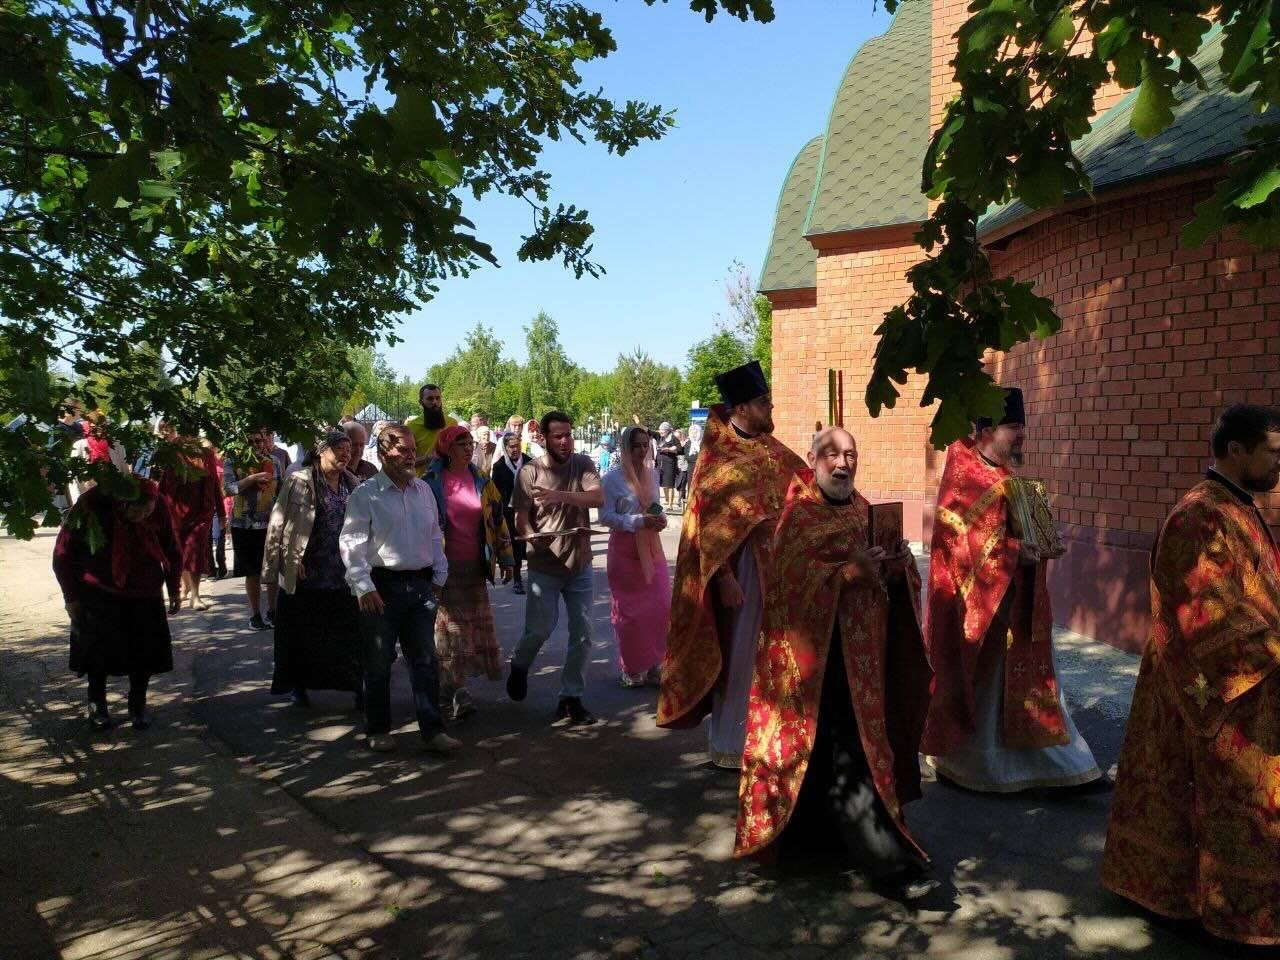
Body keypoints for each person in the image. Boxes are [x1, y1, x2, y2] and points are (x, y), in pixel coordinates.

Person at [1101, 404, 1280, 946]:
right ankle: (1222, 910)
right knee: (1222, 801)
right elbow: (1204, 611)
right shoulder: (1198, 515)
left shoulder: (1239, 509)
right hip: (1211, 693)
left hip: (1249, 684)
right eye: (1273, 451)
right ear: (1236, 450)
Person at [736, 427, 933, 889]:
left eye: (851, 455)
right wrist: (849, 573)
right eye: (832, 455)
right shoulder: (797, 518)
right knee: (848, 752)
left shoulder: (865, 509)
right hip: (817, 663)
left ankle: (817, 841)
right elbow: (786, 589)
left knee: (841, 751)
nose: (843, 464)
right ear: (811, 459)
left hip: (864, 657)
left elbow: (893, 580)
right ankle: (888, 865)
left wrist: (899, 563)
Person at [920, 386, 1100, 792]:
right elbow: (963, 546)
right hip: (982, 608)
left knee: (1011, 688)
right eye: (1013, 427)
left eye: (1023, 427)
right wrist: (1019, 551)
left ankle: (1049, 763)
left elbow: (1008, 530)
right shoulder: (965, 476)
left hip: (1017, 603)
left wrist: (1041, 542)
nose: (1022, 436)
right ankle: (976, 766)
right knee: (985, 691)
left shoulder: (1002, 474)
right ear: (985, 430)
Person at [658, 360, 806, 768]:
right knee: (739, 657)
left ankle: (767, 736)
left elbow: (808, 487)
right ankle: (730, 745)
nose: (770, 407)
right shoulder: (717, 457)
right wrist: (723, 577)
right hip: (740, 571)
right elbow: (704, 524)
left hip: (777, 570)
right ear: (741, 408)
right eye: (763, 402)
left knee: (772, 657)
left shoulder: (773, 450)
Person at [339, 424, 460, 755]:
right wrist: (362, 586)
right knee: (378, 662)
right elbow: (352, 542)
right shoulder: (366, 495)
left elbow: (435, 536)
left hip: (420, 587)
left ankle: (433, 730)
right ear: (383, 455)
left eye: (411, 449)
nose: (410, 456)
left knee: (424, 661)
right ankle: (378, 728)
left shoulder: (423, 492)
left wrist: (438, 577)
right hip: (381, 588)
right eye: (402, 450)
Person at [52, 478, 182, 731]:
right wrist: (72, 598)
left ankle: (138, 704)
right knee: (98, 654)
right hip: (99, 591)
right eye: (135, 511)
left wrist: (174, 587)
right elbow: (63, 555)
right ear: (120, 504)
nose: (141, 516)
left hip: (144, 592)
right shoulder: (91, 504)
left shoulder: (160, 505)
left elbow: (171, 547)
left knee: (143, 654)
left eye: (147, 511)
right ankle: (96, 703)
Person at [505, 411, 605, 724]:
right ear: (544, 439)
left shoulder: (583, 464)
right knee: (540, 630)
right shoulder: (529, 473)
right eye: (558, 436)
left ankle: (571, 697)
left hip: (580, 564)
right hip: (543, 566)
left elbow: (598, 498)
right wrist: (530, 534)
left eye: (568, 435)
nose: (565, 442)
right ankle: (520, 665)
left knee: (583, 632)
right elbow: (520, 517)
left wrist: (558, 496)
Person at [264, 430, 362, 708]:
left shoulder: (352, 482)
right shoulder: (299, 481)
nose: (346, 453)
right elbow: (278, 522)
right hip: (307, 572)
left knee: (345, 634)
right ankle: (298, 685)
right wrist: (286, 559)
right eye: (339, 449)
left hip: (342, 573)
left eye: (348, 449)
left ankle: (356, 686)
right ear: (321, 451)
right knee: (302, 634)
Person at [425, 426, 514, 721]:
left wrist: (506, 557)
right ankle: (457, 691)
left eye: (470, 443)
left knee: (468, 632)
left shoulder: (482, 480)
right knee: (450, 632)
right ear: (446, 448)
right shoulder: (431, 482)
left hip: (475, 568)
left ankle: (448, 689)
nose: (468, 448)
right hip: (442, 569)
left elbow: (498, 521)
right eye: (461, 444)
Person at [599, 426, 670, 687]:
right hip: (625, 552)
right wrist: (638, 521)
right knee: (631, 615)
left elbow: (656, 506)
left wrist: (659, 520)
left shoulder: (652, 474)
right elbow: (605, 517)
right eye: (636, 446)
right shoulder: (611, 479)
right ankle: (631, 668)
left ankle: (654, 663)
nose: (642, 451)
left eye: (645, 445)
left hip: (652, 548)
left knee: (661, 606)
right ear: (625, 449)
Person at [152, 423, 222, 611]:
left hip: (201, 513)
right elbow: (160, 485)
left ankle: (196, 596)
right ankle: (183, 588)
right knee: (178, 552)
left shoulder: (206, 454)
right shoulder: (170, 453)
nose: (189, 436)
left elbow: (214, 483)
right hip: (174, 511)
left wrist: (222, 513)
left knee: (196, 552)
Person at [223, 428, 284, 630]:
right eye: (251, 442)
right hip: (244, 524)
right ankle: (255, 614)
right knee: (253, 572)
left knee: (272, 571)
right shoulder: (235, 460)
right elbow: (228, 488)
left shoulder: (274, 462)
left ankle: (273, 611)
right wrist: (250, 479)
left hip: (270, 524)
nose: (256, 445)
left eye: (259, 441)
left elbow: (282, 491)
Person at [490, 431, 529, 595]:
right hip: (508, 512)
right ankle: (518, 579)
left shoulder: (529, 462)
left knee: (529, 544)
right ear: (505, 448)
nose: (515, 450)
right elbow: (496, 492)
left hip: (528, 510)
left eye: (517, 446)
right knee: (514, 545)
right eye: (511, 447)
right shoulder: (499, 466)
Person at [405, 383, 447, 477]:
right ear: (421, 402)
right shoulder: (411, 426)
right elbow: (404, 463)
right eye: (430, 399)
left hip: (448, 482)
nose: (435, 402)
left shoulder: (452, 423)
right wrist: (429, 458)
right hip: (421, 483)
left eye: (438, 398)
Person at [655, 423, 680, 510]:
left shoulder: (673, 438)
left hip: (669, 464)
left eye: (662, 430)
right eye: (660, 430)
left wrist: (668, 449)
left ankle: (670, 505)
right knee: (663, 484)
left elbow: (679, 449)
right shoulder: (659, 437)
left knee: (669, 485)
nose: (660, 431)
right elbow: (649, 431)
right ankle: (666, 499)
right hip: (659, 464)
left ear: (667, 430)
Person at [672, 429, 691, 510]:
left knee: (681, 484)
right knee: (678, 484)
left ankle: (679, 500)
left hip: (684, 465)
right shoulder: (673, 443)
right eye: (675, 437)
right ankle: (683, 499)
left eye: (678, 437)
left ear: (682, 435)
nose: (676, 438)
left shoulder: (687, 443)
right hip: (675, 465)